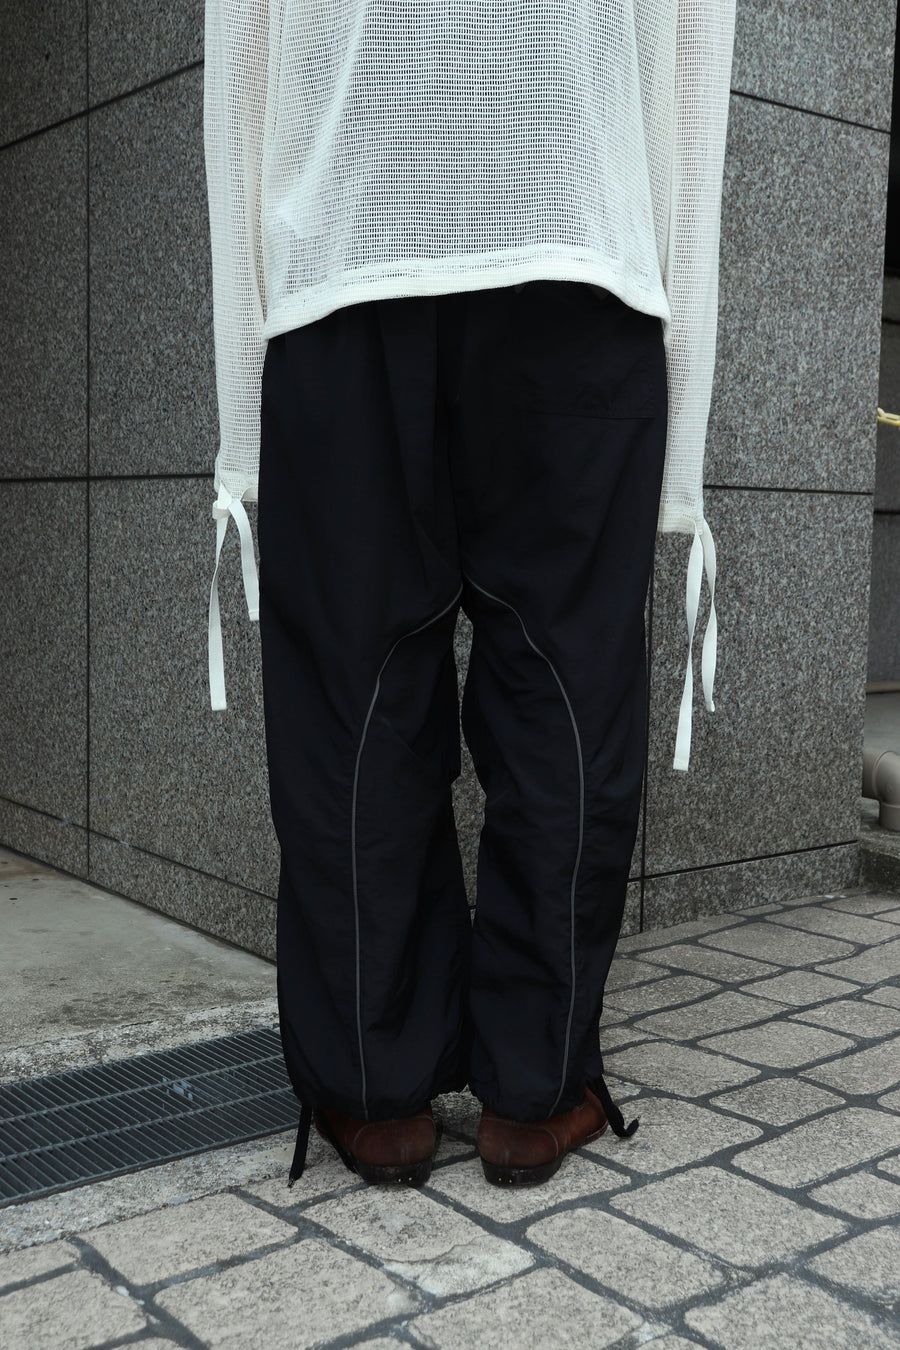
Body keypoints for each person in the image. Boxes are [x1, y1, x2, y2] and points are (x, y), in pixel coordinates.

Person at [203, 0, 736, 1188]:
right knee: (565, 689)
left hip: (345, 260)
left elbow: (241, 66)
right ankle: (534, 1092)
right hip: (578, 254)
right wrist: (681, 424)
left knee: (354, 693)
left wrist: (247, 421)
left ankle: (375, 1092)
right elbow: (692, 61)